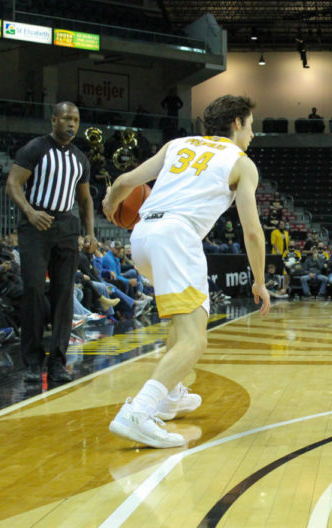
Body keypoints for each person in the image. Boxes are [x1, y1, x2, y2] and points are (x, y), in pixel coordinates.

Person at [103, 94, 271, 448]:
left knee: (184, 324)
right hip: (177, 237)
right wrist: (259, 280)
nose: (252, 135)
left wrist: (111, 206)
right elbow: (252, 231)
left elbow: (123, 183)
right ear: (237, 123)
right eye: (251, 126)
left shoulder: (177, 145)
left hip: (143, 236)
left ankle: (171, 394)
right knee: (196, 339)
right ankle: (140, 412)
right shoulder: (241, 163)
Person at [5, 102, 96, 386]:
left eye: (76, 120)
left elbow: (84, 199)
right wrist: (30, 212)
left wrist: (90, 233)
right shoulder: (35, 148)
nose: (72, 124)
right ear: (54, 120)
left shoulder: (81, 158)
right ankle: (32, 362)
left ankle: (57, 361)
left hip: (66, 226)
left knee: (64, 294)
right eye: (67, 118)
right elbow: (13, 183)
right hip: (35, 225)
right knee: (32, 289)